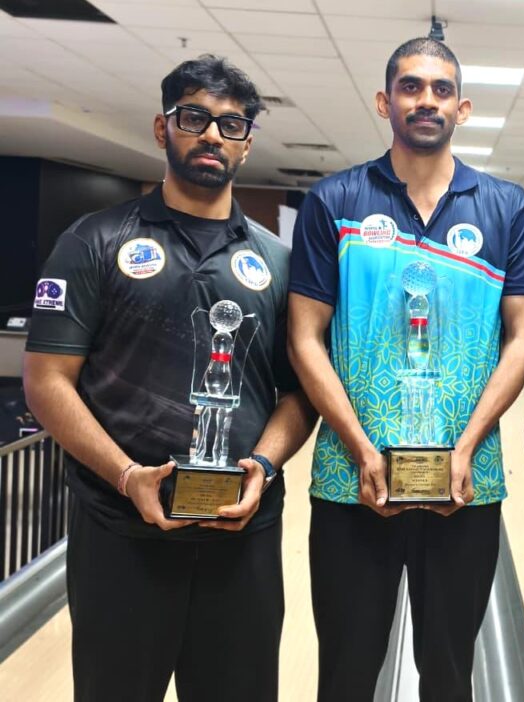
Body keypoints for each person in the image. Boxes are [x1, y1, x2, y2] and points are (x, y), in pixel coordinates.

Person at [22, 55, 315, 702]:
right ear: (163, 129)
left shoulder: (279, 261)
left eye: (232, 125)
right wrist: (128, 476)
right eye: (196, 118)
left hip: (243, 534)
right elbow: (46, 379)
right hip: (121, 531)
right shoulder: (93, 241)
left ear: (247, 143)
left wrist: (262, 468)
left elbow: (299, 397)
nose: (213, 135)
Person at [287, 38, 524, 701]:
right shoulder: (334, 200)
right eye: (410, 86)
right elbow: (305, 337)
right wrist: (362, 448)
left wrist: (465, 446)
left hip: (467, 482)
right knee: (345, 674)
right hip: (351, 480)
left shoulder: (507, 207)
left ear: (462, 106)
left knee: (450, 673)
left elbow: (523, 335)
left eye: (438, 89)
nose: (425, 99)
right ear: (385, 101)